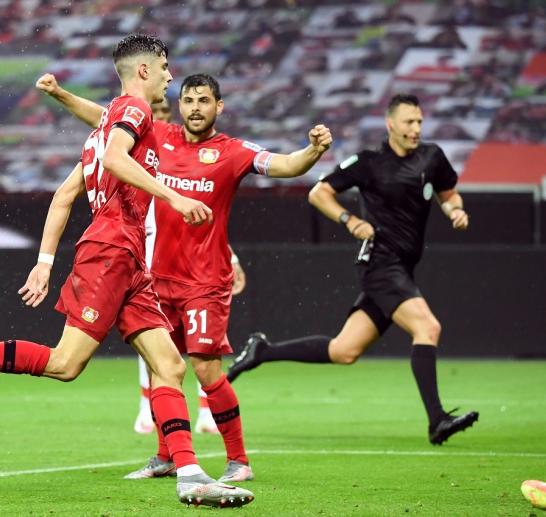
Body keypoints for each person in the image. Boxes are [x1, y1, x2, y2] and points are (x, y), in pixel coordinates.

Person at [0, 33, 254, 509]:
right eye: (167, 67)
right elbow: (113, 159)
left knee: (170, 366)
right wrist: (174, 196)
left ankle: (190, 475)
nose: (172, 76)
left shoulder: (111, 123)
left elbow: (67, 193)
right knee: (65, 364)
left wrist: (45, 262)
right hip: (110, 252)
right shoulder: (134, 111)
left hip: (127, 259)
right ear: (145, 71)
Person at [35, 71, 332, 482]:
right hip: (156, 278)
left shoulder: (232, 152)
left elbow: (284, 165)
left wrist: (312, 151)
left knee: (206, 369)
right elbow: (104, 121)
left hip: (206, 281)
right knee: (165, 367)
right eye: (189, 100)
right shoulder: (159, 135)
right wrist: (61, 94)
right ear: (180, 104)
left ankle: (239, 461)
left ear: (219, 107)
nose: (195, 108)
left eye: (204, 101)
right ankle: (166, 455)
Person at [227, 93, 479, 446]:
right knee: (428, 327)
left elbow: (449, 193)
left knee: (344, 351)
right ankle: (437, 419)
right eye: (409, 122)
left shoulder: (432, 157)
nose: (416, 128)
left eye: (419, 121)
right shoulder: (369, 162)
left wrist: (455, 211)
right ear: (390, 124)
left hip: (402, 269)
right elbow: (319, 193)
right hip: (380, 264)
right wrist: (349, 219)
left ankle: (262, 351)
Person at [133, 97, 246, 436]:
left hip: (196, 270)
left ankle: (218, 428)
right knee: (156, 352)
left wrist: (233, 256)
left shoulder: (206, 154)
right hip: (151, 262)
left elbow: (206, 215)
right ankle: (153, 424)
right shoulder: (142, 156)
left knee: (202, 357)